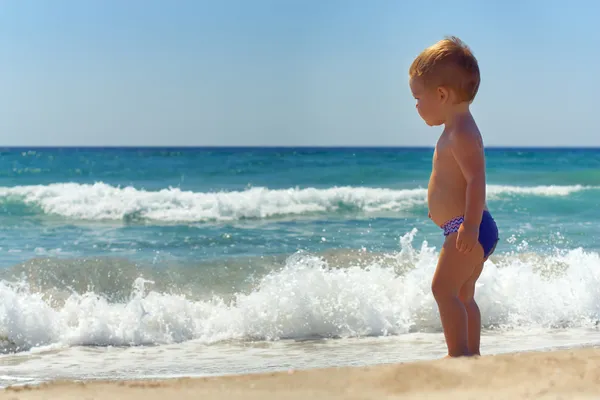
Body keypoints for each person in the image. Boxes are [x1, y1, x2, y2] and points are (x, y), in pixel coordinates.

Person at [408, 36, 499, 357]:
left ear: (442, 94)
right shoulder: (456, 129)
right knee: (462, 294)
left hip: (469, 226)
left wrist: (469, 226)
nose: (416, 105)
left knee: (442, 290)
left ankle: (457, 354)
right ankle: (471, 354)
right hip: (469, 226)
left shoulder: (460, 132)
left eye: (417, 97)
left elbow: (477, 180)